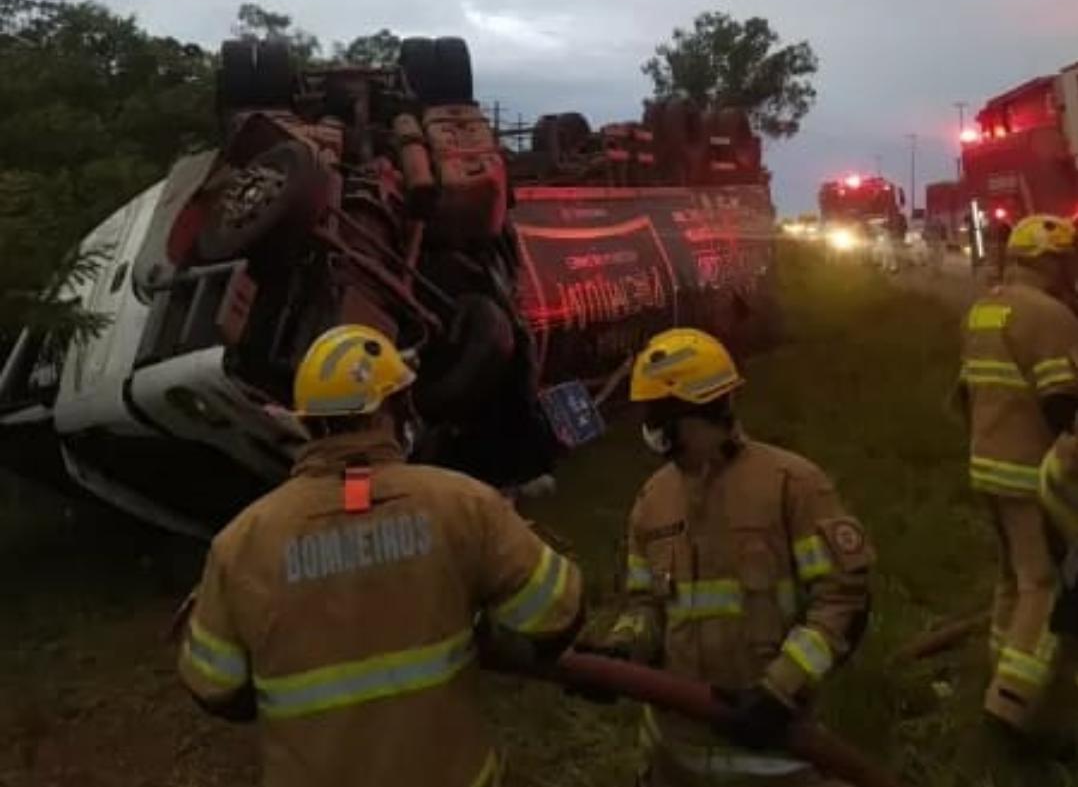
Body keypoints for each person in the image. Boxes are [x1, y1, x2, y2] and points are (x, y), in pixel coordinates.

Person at [177, 324, 584, 787]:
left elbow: (215, 687)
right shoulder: (464, 505)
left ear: (306, 421)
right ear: (400, 408)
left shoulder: (242, 542)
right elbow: (557, 614)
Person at [589, 327, 873, 787]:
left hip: (773, 756)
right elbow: (644, 606)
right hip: (673, 758)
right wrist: (620, 651)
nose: (651, 432)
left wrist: (778, 691)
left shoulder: (792, 486)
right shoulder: (653, 500)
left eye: (657, 417)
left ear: (696, 411)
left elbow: (842, 602)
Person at [955, 215, 1078, 734]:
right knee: (1042, 585)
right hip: (1033, 471)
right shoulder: (1051, 316)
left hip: (987, 464)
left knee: (1010, 578)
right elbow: (1061, 401)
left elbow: (963, 394)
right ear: (1050, 262)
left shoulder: (984, 310)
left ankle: (997, 669)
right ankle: (1010, 705)